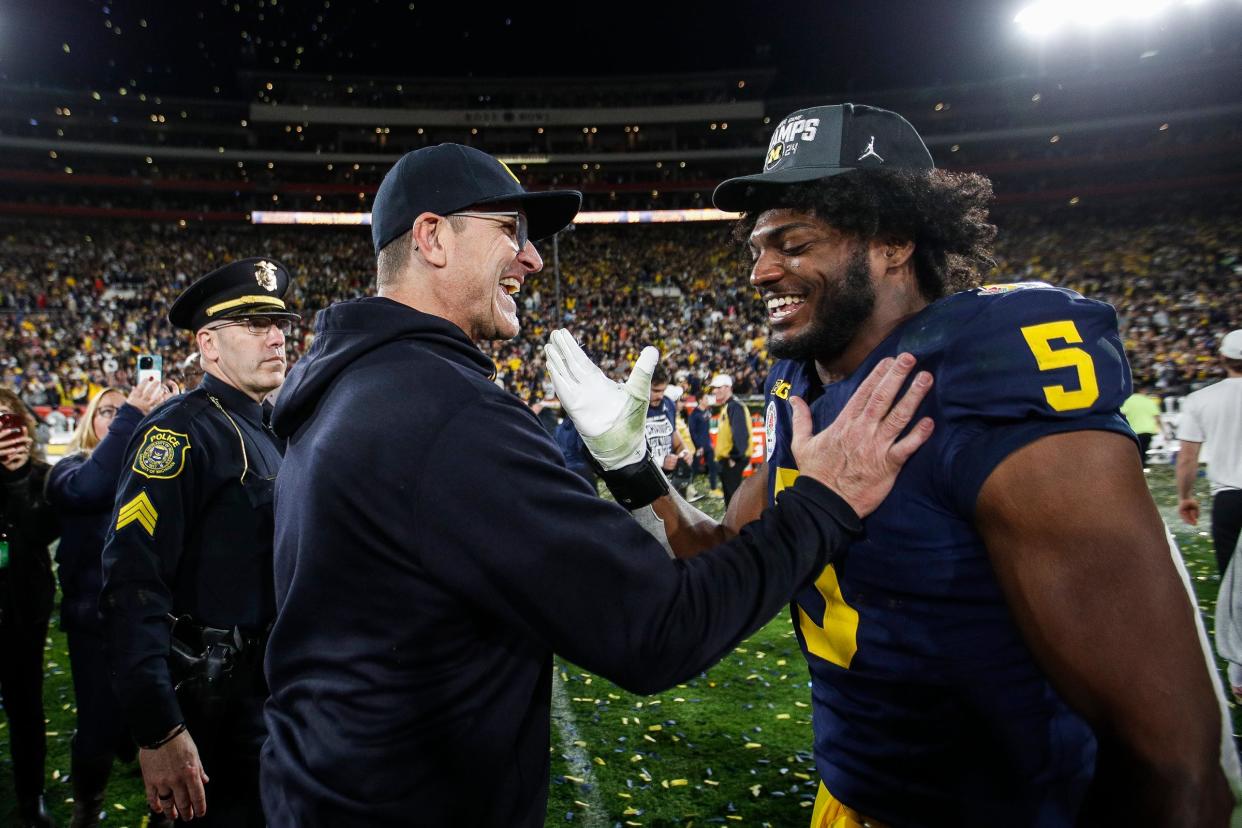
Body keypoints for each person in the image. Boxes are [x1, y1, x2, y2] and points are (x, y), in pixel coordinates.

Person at [552, 103, 1236, 826]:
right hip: (852, 794)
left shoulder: (986, 380)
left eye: (792, 242)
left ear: (895, 241)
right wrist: (629, 464)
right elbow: (723, 558)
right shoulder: (804, 385)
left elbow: (1174, 760)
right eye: (756, 246)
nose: (760, 271)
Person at [259, 142, 935, 827]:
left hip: (322, 788)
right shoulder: (440, 410)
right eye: (509, 232)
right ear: (433, 237)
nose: (531, 258)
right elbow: (659, 628)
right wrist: (823, 502)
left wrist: (632, 470)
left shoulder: (342, 387)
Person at [100, 258, 298, 826]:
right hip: (210, 705)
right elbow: (132, 582)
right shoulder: (178, 432)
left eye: (280, 322)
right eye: (255, 324)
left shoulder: (273, 428)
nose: (277, 336)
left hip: (271, 695)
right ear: (209, 345)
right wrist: (158, 727)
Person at [47, 380, 176, 828]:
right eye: (108, 412)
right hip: (95, 625)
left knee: (158, 723)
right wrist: (133, 414)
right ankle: (87, 809)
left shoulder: (153, 469)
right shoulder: (68, 468)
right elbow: (90, 488)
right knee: (97, 728)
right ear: (88, 423)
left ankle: (162, 812)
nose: (119, 416)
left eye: (122, 411)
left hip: (153, 621)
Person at [0, 389, 59, 828]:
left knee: (26, 705)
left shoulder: (41, 474)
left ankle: (31, 793)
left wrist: (20, 478)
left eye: (8, 417)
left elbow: (42, 534)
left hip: (24, 607)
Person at [1177, 329, 1242, 574]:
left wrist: (1186, 497)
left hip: (1228, 498)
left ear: (1223, 357)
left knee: (1231, 581)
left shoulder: (1200, 399)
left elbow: (1187, 457)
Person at [710, 373, 751, 505]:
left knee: (733, 500)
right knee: (730, 498)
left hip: (732, 460)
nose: (714, 391)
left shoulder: (734, 406)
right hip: (728, 459)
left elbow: (740, 433)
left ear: (728, 388)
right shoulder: (729, 406)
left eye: (718, 387)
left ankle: (735, 525)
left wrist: (735, 456)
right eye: (714, 388)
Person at [1120, 382, 1163, 465]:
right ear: (1141, 390)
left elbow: (1122, 415)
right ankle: (1142, 470)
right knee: (1142, 453)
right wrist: (1163, 432)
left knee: (1134, 454)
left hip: (1134, 431)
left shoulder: (1127, 401)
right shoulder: (1148, 400)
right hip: (1148, 431)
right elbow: (1157, 417)